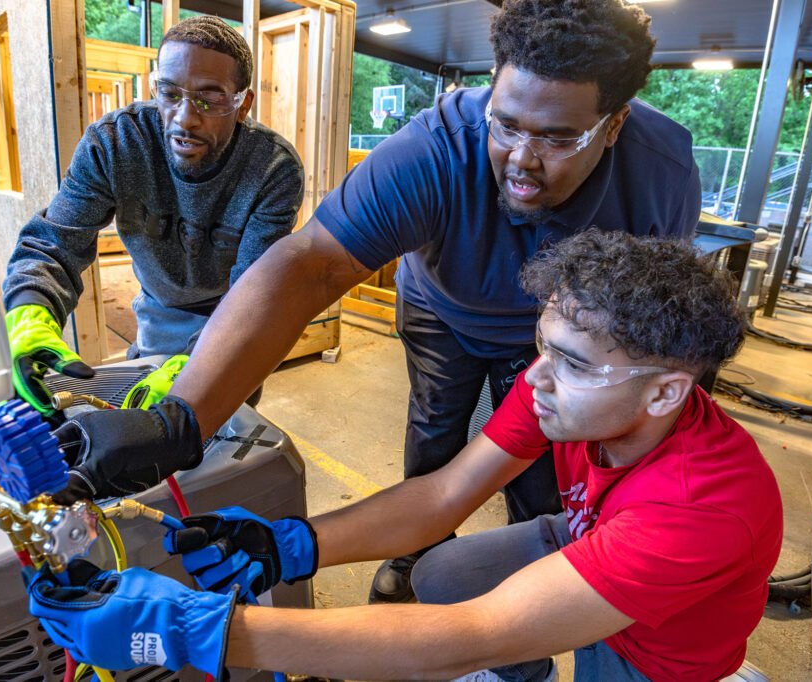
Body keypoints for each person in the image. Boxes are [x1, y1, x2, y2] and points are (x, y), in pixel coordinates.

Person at [50, 0, 702, 603]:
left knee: (544, 477)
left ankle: (534, 583)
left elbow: (643, 334)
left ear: (614, 123)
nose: (520, 160)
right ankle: (417, 556)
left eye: (557, 139)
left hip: (557, 337)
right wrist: (180, 423)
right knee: (437, 434)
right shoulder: (439, 150)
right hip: (442, 309)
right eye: (505, 125)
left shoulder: (661, 176)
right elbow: (307, 267)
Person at [27, 230, 783, 682]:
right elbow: (443, 495)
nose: (537, 376)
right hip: (595, 537)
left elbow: (471, 634)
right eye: (543, 347)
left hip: (657, 650)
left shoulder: (699, 509)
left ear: (664, 394)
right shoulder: (566, 391)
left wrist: (207, 630)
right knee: (443, 571)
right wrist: (295, 544)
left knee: (479, 626)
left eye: (575, 362)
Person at [1, 15, 304, 423]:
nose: (185, 118)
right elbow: (55, 244)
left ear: (242, 103)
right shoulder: (115, 143)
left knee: (216, 447)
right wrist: (29, 313)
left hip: (232, 324)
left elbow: (252, 295)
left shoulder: (272, 169)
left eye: (209, 99)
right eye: (170, 93)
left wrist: (198, 371)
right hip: (156, 314)